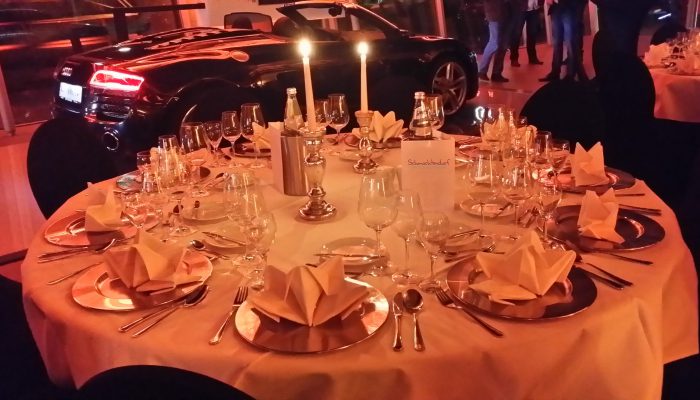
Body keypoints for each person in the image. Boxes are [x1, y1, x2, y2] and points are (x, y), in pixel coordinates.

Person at [540, 0, 581, 81]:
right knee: (556, 42)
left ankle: (570, 74)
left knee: (570, 42)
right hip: (556, 8)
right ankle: (555, 72)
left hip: (569, 8)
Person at [478, 0, 516, 82]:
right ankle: (482, 70)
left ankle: (496, 73)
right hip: (494, 12)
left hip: (509, 12)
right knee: (494, 43)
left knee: (503, 45)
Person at [509, 0, 544, 66]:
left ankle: (532, 58)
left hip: (534, 8)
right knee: (516, 34)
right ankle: (514, 59)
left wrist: (540, 2)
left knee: (532, 33)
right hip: (520, 8)